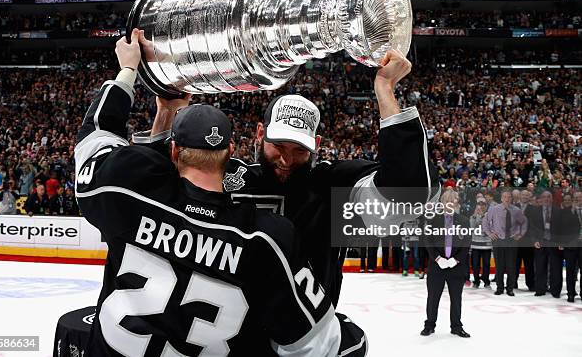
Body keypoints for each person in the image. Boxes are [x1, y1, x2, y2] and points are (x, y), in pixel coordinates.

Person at [72, 29, 347, 356]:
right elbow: (318, 343)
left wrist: (129, 70)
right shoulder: (263, 239)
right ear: (232, 152)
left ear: (174, 151)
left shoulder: (125, 191)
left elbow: (97, 136)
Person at [139, 47, 438, 310]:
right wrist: (166, 112)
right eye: (278, 146)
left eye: (299, 150)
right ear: (259, 133)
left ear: (316, 145)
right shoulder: (226, 175)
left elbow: (409, 196)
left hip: (304, 341)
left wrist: (385, 88)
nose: (286, 159)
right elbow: (150, 185)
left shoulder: (332, 189)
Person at [421, 189, 472, 338]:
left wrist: (455, 260)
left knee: (456, 298)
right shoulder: (432, 220)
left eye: (453, 201)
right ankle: (429, 325)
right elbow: (428, 241)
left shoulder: (464, 221)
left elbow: (466, 243)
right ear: (442, 203)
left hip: (456, 267)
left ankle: (456, 326)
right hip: (437, 266)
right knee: (433, 297)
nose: (450, 204)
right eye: (447, 201)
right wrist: (438, 259)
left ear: (457, 203)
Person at [483, 190, 527, 296]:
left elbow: (524, 222)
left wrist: (520, 234)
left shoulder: (516, 210)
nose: (507, 199)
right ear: (501, 198)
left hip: (511, 240)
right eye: (505, 197)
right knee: (499, 266)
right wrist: (489, 233)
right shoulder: (493, 209)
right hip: (498, 240)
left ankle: (510, 288)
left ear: (511, 199)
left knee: (511, 266)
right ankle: (500, 288)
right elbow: (485, 221)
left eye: (509, 197)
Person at [527, 191, 563, 297]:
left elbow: (563, 228)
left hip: (555, 243)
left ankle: (555, 291)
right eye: (544, 197)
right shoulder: (535, 211)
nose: (546, 199)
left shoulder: (559, 211)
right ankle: (540, 289)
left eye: (549, 197)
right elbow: (531, 228)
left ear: (552, 199)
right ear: (541, 199)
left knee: (556, 268)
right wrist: (534, 240)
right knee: (540, 267)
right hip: (540, 243)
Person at [561, 192, 581, 302]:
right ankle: (571, 293)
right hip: (570, 245)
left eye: (580, 197)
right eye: (576, 198)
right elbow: (562, 228)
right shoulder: (566, 212)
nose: (577, 199)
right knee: (570, 271)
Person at [514, 189, 535, 291]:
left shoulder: (533, 209)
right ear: (520, 196)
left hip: (528, 241)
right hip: (515, 241)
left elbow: (533, 225)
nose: (525, 197)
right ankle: (513, 283)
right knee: (514, 264)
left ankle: (531, 284)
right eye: (523, 195)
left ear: (529, 197)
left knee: (529, 264)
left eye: (527, 195)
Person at [469, 199, 491, 288]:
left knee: (486, 264)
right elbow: (472, 227)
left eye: (483, 204)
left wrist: (483, 217)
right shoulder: (473, 216)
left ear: (486, 206)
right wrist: (476, 216)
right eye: (479, 204)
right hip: (475, 243)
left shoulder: (490, 216)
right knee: (475, 264)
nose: (481, 206)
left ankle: (486, 280)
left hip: (486, 244)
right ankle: (476, 281)